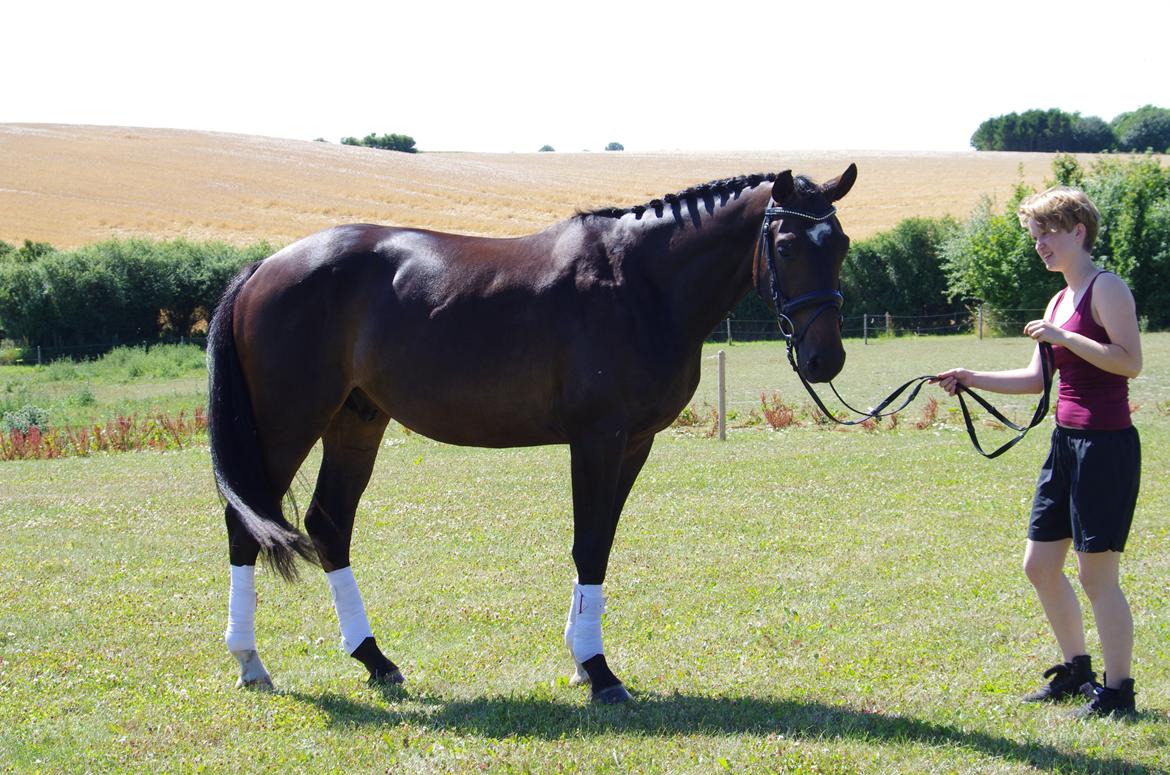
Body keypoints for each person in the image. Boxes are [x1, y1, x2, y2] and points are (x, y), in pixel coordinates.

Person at [936, 186, 1142, 718]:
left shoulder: (1106, 288)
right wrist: (970, 376)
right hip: (1065, 444)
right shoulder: (1056, 300)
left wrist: (1065, 338)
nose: (1039, 245)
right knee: (1040, 565)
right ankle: (1077, 671)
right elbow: (1036, 379)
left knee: (1098, 576)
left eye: (1046, 233)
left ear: (1078, 232)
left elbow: (1129, 362)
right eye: (1034, 237)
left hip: (1106, 446)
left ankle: (1119, 693)